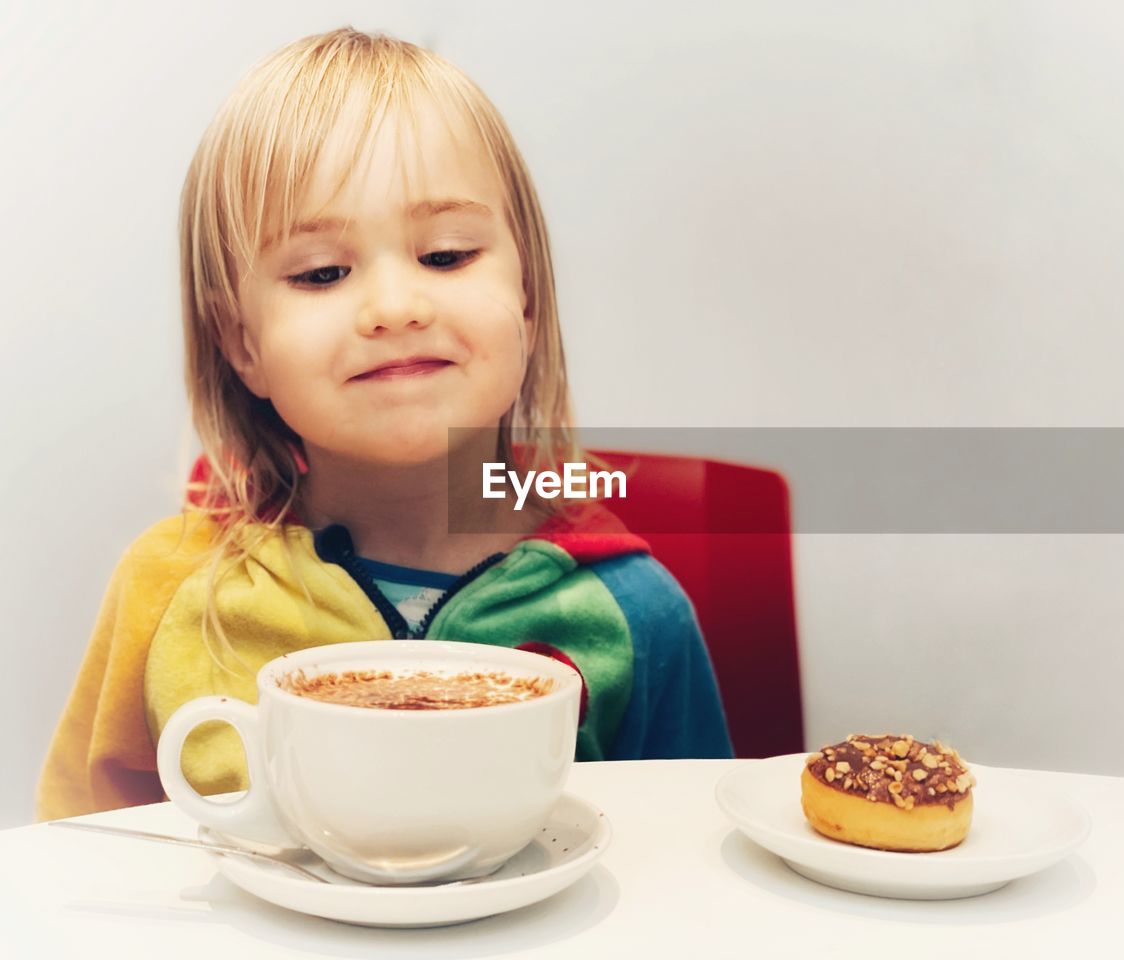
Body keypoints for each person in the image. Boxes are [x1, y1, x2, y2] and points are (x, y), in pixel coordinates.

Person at [37, 27, 732, 822]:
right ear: (243, 346)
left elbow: (690, 872)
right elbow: (83, 860)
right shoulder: (165, 594)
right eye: (322, 272)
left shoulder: (636, 615)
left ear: (529, 305)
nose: (396, 307)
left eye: (446, 256)